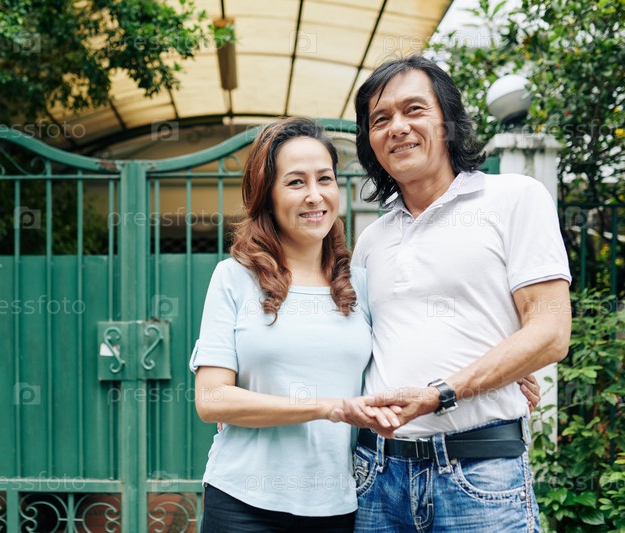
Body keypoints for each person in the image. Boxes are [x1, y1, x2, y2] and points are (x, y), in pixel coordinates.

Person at [342, 55, 572, 532]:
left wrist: (444, 392)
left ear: (448, 120)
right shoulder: (371, 240)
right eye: (380, 120)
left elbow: (550, 333)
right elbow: (354, 347)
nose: (397, 127)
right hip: (377, 477)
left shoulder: (514, 198)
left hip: (479, 472)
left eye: (414, 109)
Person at [189, 117, 401, 532]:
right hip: (242, 503)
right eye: (295, 182)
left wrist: (497, 377)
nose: (314, 195)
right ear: (267, 195)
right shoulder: (234, 278)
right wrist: (328, 407)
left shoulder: (361, 283)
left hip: (336, 505)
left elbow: (409, 348)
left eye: (325, 179)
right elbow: (211, 399)